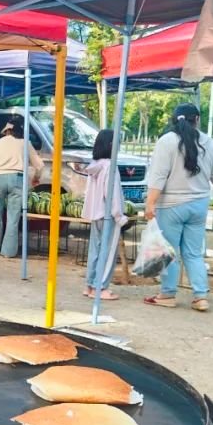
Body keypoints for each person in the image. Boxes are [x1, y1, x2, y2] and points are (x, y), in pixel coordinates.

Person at [145, 103, 213, 312]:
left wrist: (150, 203)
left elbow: (158, 176)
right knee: (194, 254)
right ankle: (200, 297)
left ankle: (167, 294)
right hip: (198, 206)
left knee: (170, 252)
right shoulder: (210, 143)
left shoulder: (166, 142)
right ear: (197, 120)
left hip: (171, 206)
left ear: (173, 120)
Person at [0, 116, 43, 258]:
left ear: (7, 130)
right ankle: (8, 252)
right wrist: (36, 178)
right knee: (13, 217)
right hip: (17, 179)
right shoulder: (25, 143)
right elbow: (40, 165)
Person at [82, 129, 127, 301]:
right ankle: (100, 287)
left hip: (95, 214)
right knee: (108, 253)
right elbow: (112, 194)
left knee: (95, 251)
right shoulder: (110, 167)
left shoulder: (95, 166)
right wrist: (119, 216)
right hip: (108, 215)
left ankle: (90, 285)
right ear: (111, 145)